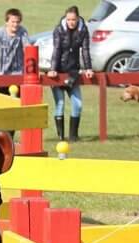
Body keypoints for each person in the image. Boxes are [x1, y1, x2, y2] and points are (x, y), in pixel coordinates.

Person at [47, 5, 94, 142]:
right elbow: (56, 50)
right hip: (58, 71)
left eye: (73, 19)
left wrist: (88, 68)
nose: (71, 22)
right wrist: (53, 69)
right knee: (60, 103)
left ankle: (73, 136)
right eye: (68, 19)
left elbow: (85, 50)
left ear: (78, 18)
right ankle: (61, 137)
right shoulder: (59, 30)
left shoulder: (83, 30)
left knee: (77, 104)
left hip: (73, 71)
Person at [0, 8, 30, 95]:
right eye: (13, 22)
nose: (15, 24)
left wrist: (32, 71)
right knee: (4, 102)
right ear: (6, 22)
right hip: (3, 74)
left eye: (17, 22)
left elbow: (28, 50)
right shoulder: (0, 33)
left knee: (18, 104)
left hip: (18, 75)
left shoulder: (22, 32)